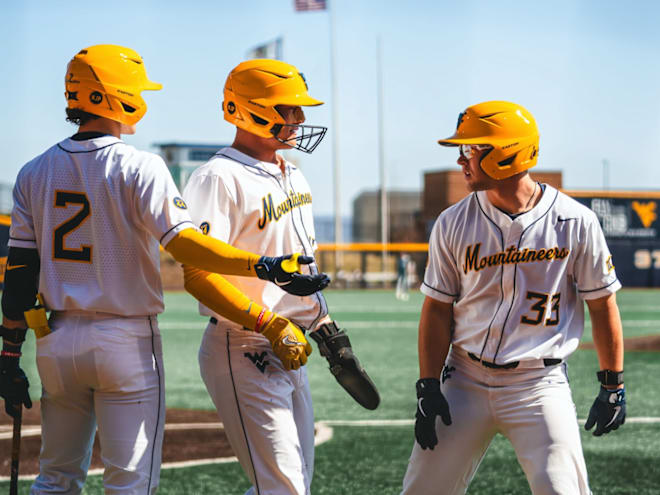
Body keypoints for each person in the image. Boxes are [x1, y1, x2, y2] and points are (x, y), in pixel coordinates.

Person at [0, 45, 329, 495]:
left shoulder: (33, 172)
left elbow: (18, 274)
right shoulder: (140, 166)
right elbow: (187, 247)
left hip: (56, 340)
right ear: (116, 96)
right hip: (125, 339)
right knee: (130, 484)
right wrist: (262, 265)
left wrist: (7, 354)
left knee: (55, 479)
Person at [401, 101, 625, 494]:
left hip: (539, 383)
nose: (461, 159)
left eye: (472, 149)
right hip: (465, 378)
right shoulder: (453, 222)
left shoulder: (575, 221)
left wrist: (612, 384)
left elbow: (602, 304)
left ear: (506, 154)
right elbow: (436, 309)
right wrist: (428, 385)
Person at [182, 58, 378, 495]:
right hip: (242, 344)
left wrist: (324, 327)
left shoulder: (293, 174)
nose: (301, 119)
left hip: (291, 345)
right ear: (249, 110)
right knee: (284, 488)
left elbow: (298, 270)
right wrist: (267, 323)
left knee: (294, 484)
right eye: (289, 109)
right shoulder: (218, 178)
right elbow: (197, 276)